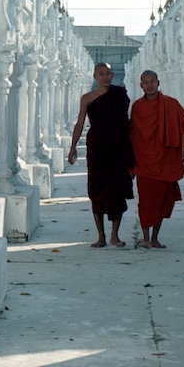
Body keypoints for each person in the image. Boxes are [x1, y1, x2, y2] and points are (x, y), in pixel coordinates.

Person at [67, 62, 135, 248]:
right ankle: (101, 236)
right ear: (95, 76)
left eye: (108, 73)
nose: (105, 76)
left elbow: (127, 122)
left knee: (117, 190)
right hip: (97, 147)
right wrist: (72, 146)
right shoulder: (87, 98)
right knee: (96, 191)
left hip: (118, 147)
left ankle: (115, 235)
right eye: (101, 73)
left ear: (113, 75)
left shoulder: (119, 94)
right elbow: (80, 123)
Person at [128, 70, 184, 249]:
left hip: (165, 159)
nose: (149, 85)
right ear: (141, 85)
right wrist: (130, 160)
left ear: (158, 82)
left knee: (162, 200)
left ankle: (155, 237)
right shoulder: (138, 107)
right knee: (146, 200)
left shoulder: (171, 104)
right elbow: (134, 135)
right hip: (144, 160)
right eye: (145, 82)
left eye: (152, 82)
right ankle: (146, 237)